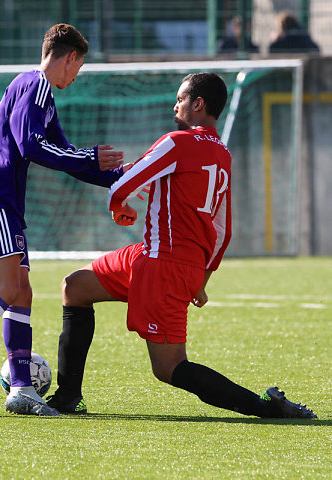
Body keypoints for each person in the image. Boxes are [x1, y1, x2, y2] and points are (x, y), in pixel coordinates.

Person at [46, 72, 316, 419]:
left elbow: (122, 186)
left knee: (169, 367)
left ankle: (266, 407)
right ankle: (68, 396)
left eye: (180, 99)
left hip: (164, 266)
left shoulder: (177, 142)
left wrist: (121, 207)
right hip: (160, 258)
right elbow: (223, 229)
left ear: (198, 104)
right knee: (75, 286)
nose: (176, 106)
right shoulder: (223, 155)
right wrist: (203, 280)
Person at [0, 23, 126, 417]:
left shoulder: (42, 97)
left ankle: (21, 388)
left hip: (1, 202)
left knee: (22, 292)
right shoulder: (35, 84)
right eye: (78, 68)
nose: (75, 77)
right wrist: (91, 159)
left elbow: (64, 153)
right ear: (69, 57)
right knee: (9, 287)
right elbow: (32, 146)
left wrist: (121, 179)